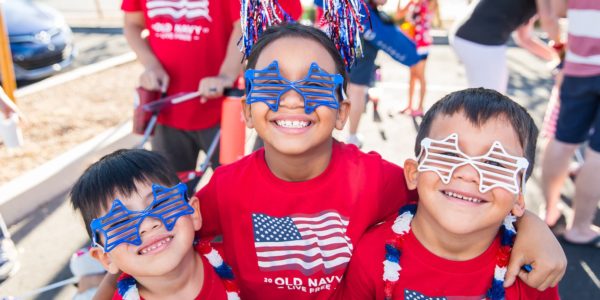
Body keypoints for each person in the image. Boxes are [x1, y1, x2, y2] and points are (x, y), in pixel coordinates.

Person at [197, 23, 566, 300]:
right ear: (247, 111)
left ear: (343, 113)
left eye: (314, 86)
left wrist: (529, 224)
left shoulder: (376, 179)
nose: (292, 100)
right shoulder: (225, 186)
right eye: (272, 84)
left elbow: (451, 190)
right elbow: (170, 233)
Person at [335, 88, 561, 299]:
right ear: (414, 173)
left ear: (519, 197)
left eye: (495, 163)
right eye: (449, 154)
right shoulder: (371, 255)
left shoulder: (533, 269)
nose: (468, 173)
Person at [69, 149, 239, 299]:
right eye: (121, 222)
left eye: (159, 204)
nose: (148, 225)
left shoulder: (244, 260)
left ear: (193, 212)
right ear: (106, 258)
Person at [121, 0, 245, 193]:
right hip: (166, 110)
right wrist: (151, 65)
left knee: (233, 192)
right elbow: (132, 23)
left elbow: (243, 24)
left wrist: (226, 75)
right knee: (171, 197)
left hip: (222, 109)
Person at [541, 0, 600, 246]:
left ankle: (549, 213)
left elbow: (559, 10)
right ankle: (580, 228)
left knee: (562, 141)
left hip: (578, 66)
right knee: (597, 153)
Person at [450, 0, 562, 94]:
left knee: (488, 101)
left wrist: (558, 57)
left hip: (468, 36)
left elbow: (524, 39)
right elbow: (549, 19)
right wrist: (561, 51)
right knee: (490, 105)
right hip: (479, 41)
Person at [396, 0, 438, 117]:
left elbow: (429, 10)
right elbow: (398, 15)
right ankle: (409, 105)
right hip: (411, 43)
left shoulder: (430, 2)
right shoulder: (413, 3)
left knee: (420, 75)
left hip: (422, 44)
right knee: (412, 76)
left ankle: (420, 107)